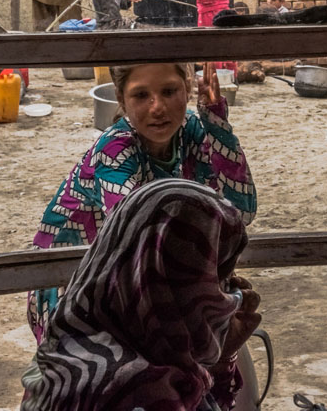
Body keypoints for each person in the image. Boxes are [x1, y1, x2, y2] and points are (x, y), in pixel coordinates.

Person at [27, 62, 256, 342]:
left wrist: (216, 121)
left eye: (169, 91)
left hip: (144, 275)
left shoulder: (193, 130)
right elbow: (141, 243)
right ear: (121, 99)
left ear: (187, 89)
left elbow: (242, 210)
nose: (157, 107)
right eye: (141, 95)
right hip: (74, 287)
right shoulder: (114, 151)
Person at [21, 179, 261, 411]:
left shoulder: (71, 348)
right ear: (179, 288)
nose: (228, 296)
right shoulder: (139, 392)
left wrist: (222, 357)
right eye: (218, 281)